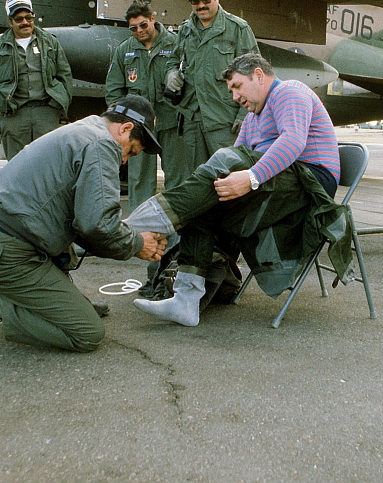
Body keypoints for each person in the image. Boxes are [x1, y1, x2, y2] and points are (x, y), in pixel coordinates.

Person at [134, 53, 346, 327]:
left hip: (310, 182)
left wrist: (251, 178)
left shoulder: (290, 92)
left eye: (237, 86)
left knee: (224, 162)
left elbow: (293, 141)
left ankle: (141, 223)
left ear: (258, 75)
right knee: (203, 205)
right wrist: (225, 185)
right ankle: (186, 301)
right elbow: (235, 157)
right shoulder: (253, 116)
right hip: (280, 183)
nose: (234, 97)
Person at [0, 95, 167, 351]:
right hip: (4, 250)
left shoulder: (84, 129)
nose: (124, 160)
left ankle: (66, 303)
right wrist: (138, 244)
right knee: (87, 334)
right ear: (125, 128)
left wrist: (130, 237)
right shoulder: (102, 144)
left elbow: (84, 218)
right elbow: (98, 224)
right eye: (131, 151)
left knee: (69, 230)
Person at [166, 0, 261, 168]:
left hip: (224, 122)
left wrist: (245, 116)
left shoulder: (238, 29)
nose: (201, 6)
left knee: (228, 176)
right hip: (191, 120)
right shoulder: (185, 30)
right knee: (197, 180)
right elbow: (173, 61)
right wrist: (171, 74)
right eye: (195, 2)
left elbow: (256, 74)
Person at [104, 0, 186, 209]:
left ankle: (176, 230)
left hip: (170, 123)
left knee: (177, 179)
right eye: (133, 28)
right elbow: (114, 88)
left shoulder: (175, 45)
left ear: (152, 19)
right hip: (139, 128)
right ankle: (140, 231)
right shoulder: (125, 50)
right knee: (139, 180)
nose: (139, 31)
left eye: (143, 25)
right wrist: (120, 122)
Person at [0, 0, 74, 160]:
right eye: (19, 19)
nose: (25, 22)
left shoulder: (50, 42)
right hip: (14, 114)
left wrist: (60, 104)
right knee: (17, 167)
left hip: (46, 112)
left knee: (47, 164)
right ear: (10, 22)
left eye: (28, 17)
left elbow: (64, 74)